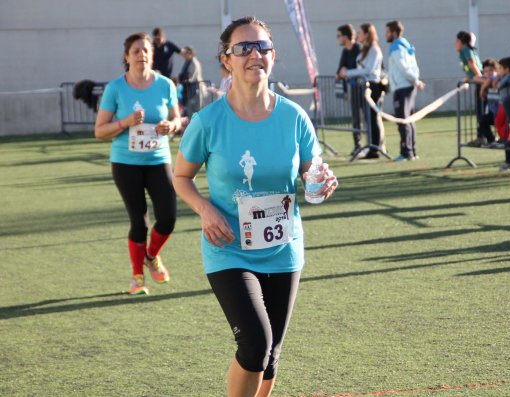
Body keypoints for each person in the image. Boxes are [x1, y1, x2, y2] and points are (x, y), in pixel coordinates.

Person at [172, 16, 338, 397]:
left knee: (272, 355)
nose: (254, 54)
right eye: (243, 48)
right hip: (229, 248)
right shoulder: (208, 121)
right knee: (255, 345)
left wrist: (322, 183)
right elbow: (181, 177)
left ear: (273, 56)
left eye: (262, 47)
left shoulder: (293, 117)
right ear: (226, 60)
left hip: (283, 249)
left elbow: (312, 174)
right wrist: (205, 209)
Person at [94, 32, 182, 294]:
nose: (141, 55)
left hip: (158, 159)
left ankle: (151, 256)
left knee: (168, 217)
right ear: (126, 56)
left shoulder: (165, 84)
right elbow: (99, 131)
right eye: (136, 51)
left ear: (152, 55)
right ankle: (136, 278)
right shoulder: (115, 89)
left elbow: (178, 119)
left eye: (146, 50)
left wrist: (171, 126)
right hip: (126, 163)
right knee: (140, 222)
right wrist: (125, 122)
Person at [339, 23, 385, 159]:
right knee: (367, 119)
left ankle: (375, 148)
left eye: (360, 32)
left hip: (372, 86)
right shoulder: (365, 49)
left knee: (372, 118)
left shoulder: (374, 50)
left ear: (367, 34)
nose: (358, 35)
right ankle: (370, 146)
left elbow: (369, 70)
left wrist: (348, 72)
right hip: (363, 85)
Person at [385, 20, 425, 162]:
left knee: (403, 120)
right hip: (406, 86)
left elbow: (404, 68)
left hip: (403, 88)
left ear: (394, 33)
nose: (386, 35)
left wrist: (415, 80)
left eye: (387, 32)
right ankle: (412, 151)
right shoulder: (406, 46)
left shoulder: (397, 47)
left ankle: (406, 152)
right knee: (409, 119)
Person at [336, 24, 364, 155]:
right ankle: (357, 145)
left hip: (366, 88)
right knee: (356, 118)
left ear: (346, 37)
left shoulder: (359, 49)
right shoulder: (345, 51)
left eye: (339, 36)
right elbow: (340, 72)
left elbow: (360, 70)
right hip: (353, 88)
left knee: (371, 118)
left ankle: (376, 145)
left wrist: (347, 72)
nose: (338, 39)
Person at [178, 46, 205, 116]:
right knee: (188, 107)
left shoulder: (193, 62)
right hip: (188, 88)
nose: (183, 56)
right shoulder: (187, 62)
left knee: (195, 108)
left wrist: (186, 80)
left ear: (190, 53)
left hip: (194, 87)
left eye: (185, 54)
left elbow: (192, 76)